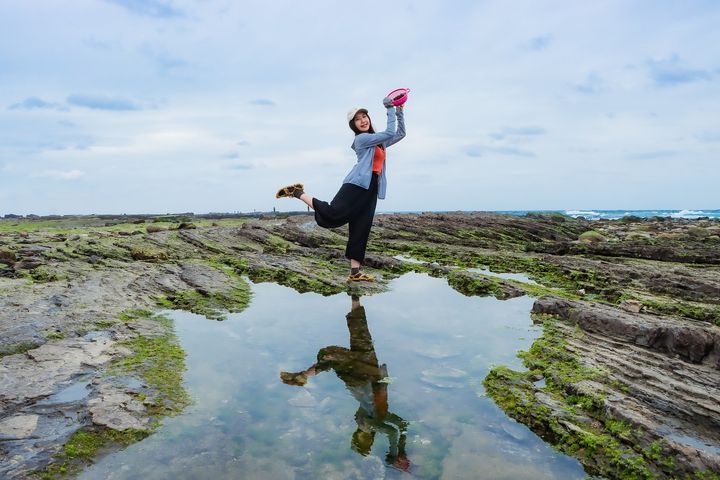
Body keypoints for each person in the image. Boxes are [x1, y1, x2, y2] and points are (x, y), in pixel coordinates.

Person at [275, 97, 406, 282]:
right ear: (353, 125)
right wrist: (390, 107)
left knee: (362, 226)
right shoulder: (362, 139)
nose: (363, 120)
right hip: (355, 185)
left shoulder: (378, 141)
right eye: (358, 119)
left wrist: (399, 110)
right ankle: (297, 192)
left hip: (371, 188)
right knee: (333, 213)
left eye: (364, 116)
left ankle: (355, 273)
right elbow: (390, 131)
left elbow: (399, 133)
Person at [280, 295, 410, 470]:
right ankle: (355, 297)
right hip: (370, 376)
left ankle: (303, 376)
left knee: (333, 356)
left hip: (361, 379)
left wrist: (395, 453)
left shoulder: (367, 424)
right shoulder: (375, 420)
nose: (365, 438)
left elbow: (393, 430)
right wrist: (400, 451)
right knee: (361, 336)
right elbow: (401, 425)